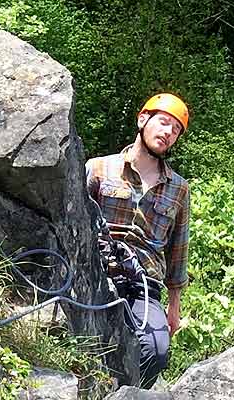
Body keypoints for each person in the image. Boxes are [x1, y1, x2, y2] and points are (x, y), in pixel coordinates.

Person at [85, 93, 191, 387]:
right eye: (164, 123)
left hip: (144, 284)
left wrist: (174, 307)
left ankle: (125, 392)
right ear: (143, 120)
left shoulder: (179, 189)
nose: (168, 133)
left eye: (176, 130)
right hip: (97, 271)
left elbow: (178, 249)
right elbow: (72, 220)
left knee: (156, 350)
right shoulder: (99, 168)